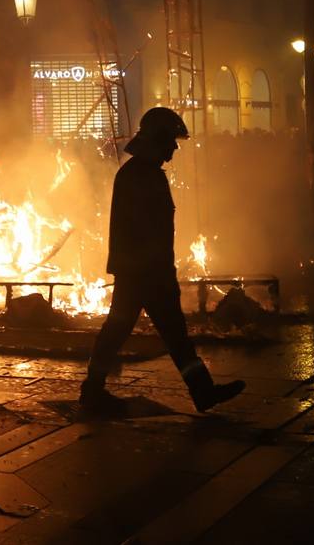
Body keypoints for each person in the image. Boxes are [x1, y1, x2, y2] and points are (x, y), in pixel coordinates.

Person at [80, 107, 246, 415]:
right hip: (145, 273)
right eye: (170, 141)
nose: (174, 148)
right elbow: (147, 232)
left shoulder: (139, 173)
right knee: (155, 333)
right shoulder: (142, 176)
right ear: (157, 140)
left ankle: (94, 390)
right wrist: (162, 273)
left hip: (139, 271)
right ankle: (201, 392)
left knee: (147, 332)